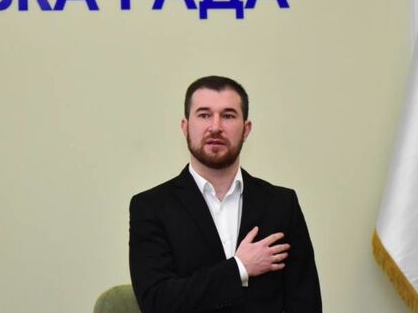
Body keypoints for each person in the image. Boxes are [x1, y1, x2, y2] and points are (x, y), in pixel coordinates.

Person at [129, 76, 321, 313]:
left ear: (246, 130)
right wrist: (239, 268)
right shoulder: (150, 207)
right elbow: (157, 302)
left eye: (228, 116)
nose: (215, 127)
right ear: (185, 127)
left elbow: (306, 302)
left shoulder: (282, 205)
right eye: (204, 115)